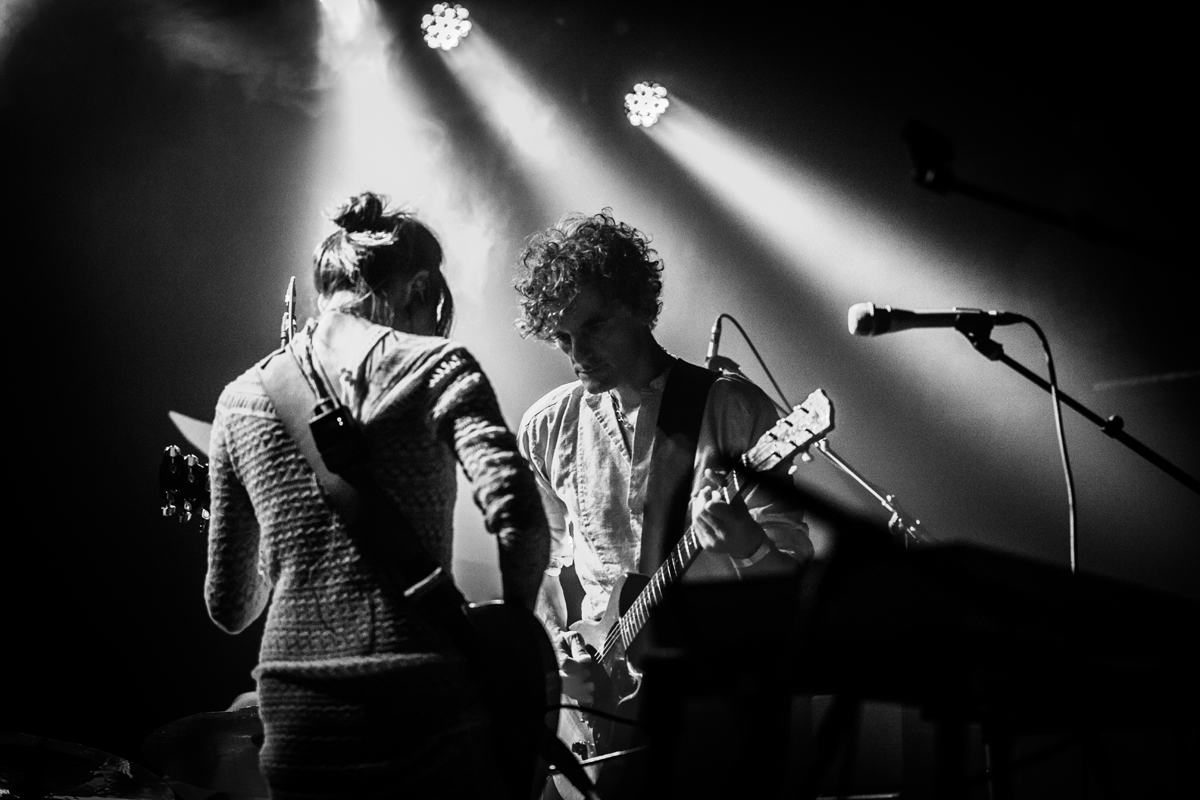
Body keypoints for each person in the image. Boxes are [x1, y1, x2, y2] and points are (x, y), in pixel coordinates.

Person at [204, 191, 550, 799]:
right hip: (419, 696)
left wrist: (288, 541)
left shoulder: (239, 400)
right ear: (419, 289)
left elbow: (230, 607)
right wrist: (513, 641)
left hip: (296, 715)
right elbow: (520, 516)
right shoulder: (436, 365)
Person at [513, 209, 813, 793]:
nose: (578, 354)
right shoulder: (546, 427)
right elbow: (543, 570)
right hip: (596, 713)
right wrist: (562, 653)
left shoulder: (732, 410)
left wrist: (747, 546)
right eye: (563, 338)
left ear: (639, 307)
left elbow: (793, 587)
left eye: (594, 327)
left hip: (714, 706)